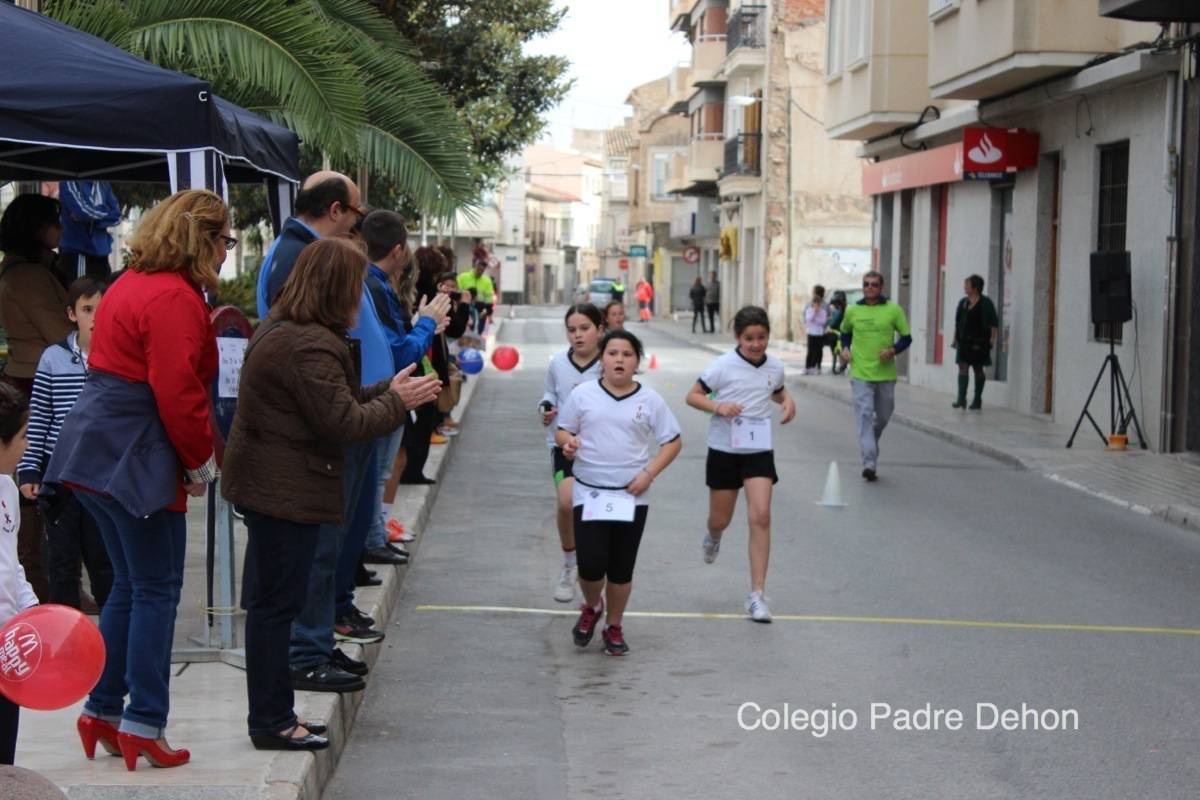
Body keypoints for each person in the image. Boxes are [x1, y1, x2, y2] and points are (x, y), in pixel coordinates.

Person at [222, 238, 440, 752]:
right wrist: (396, 402)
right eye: (355, 289)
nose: (360, 300)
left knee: (274, 605)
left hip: (273, 487)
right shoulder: (308, 343)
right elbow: (341, 420)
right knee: (276, 608)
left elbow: (333, 400)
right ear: (336, 289)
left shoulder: (293, 330)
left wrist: (387, 391)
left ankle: (275, 715)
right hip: (282, 491)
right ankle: (273, 720)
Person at [48, 189, 227, 771]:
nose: (226, 252)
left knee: (128, 585)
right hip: (134, 454)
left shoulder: (130, 281)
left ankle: (103, 710)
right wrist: (201, 463)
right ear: (202, 239)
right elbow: (177, 393)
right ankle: (144, 721)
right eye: (224, 240)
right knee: (154, 589)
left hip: (95, 446)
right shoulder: (174, 295)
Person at [555, 329, 682, 655]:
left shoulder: (650, 400)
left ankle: (614, 625)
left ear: (637, 361)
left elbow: (673, 441)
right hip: (590, 493)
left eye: (627, 354)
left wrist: (648, 474)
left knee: (622, 568)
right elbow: (562, 430)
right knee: (591, 565)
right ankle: (591, 604)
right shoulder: (583, 395)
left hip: (631, 495)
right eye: (613, 353)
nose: (620, 359)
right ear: (602, 359)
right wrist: (568, 443)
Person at [686, 306, 796, 623]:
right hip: (724, 449)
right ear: (738, 338)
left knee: (761, 515)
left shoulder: (775, 367)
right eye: (749, 338)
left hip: (758, 448)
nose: (756, 344)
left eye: (761, 337)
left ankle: (757, 596)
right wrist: (718, 406)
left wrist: (787, 400)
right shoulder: (722, 366)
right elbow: (692, 396)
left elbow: (775, 390)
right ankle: (713, 536)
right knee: (720, 519)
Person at [18, 277, 113, 611]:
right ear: (72, 314)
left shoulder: (117, 357)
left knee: (105, 563)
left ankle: (110, 639)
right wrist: (30, 469)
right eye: (87, 310)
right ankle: (64, 639)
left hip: (102, 480)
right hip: (60, 480)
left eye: (102, 309)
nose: (95, 318)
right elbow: (40, 418)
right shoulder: (52, 359)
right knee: (61, 563)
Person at [0, 193, 71, 603]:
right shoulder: (28, 275)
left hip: (26, 376)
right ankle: (43, 587)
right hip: (35, 381)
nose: (61, 229)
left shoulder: (19, 269)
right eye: (54, 221)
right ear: (38, 228)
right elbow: (58, 334)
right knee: (33, 490)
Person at [540, 304, 605, 603]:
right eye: (572, 330)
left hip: (602, 450)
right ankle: (569, 566)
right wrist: (545, 408)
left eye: (584, 328)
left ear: (599, 329)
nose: (578, 335)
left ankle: (594, 574)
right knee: (567, 503)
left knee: (595, 514)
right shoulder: (557, 363)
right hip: (563, 446)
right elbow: (549, 393)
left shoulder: (608, 363)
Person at [255, 170, 363, 316]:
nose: (355, 222)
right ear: (336, 210)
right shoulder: (300, 257)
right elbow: (293, 332)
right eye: (356, 212)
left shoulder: (296, 248)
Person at [839, 271, 912, 482]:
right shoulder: (853, 310)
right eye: (866, 284)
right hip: (861, 373)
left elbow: (907, 338)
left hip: (886, 374)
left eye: (874, 285)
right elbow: (845, 332)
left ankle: (871, 440)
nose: (870, 288)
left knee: (883, 415)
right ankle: (869, 462)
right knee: (864, 415)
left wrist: (893, 351)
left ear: (882, 287)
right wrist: (844, 348)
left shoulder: (893, 310)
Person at [0, 383, 37, 765]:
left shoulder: (7, 489)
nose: (28, 446)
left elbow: (12, 564)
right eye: (23, 437)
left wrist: (32, 611)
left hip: (6, 652)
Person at [397, 244, 453, 486]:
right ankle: (414, 472)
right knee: (421, 425)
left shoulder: (409, 291)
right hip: (423, 360)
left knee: (417, 425)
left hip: (422, 358)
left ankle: (412, 471)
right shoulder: (429, 294)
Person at [951, 274, 999, 410]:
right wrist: (955, 339)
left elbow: (994, 323)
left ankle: (977, 399)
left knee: (978, 369)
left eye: (967, 285)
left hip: (979, 343)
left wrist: (992, 340)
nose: (965, 287)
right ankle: (961, 399)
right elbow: (958, 323)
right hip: (963, 342)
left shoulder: (986, 303)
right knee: (962, 368)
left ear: (976, 288)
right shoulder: (963, 302)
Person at [58, 181, 121, 281]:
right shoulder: (70, 182)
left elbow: (117, 216)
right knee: (81, 294)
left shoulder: (103, 184)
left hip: (102, 252)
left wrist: (94, 220)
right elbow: (82, 211)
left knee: (103, 293)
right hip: (79, 251)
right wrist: (106, 214)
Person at [457, 245, 496, 336]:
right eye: (479, 267)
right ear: (475, 265)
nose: (480, 270)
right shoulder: (463, 277)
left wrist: (486, 312)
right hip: (465, 310)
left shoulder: (487, 281)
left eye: (483, 269)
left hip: (480, 312)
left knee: (478, 336)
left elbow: (489, 300)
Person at [803, 285, 829, 374]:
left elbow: (824, 321)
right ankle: (808, 367)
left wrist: (815, 320)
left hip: (820, 333)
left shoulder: (824, 307)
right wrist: (814, 313)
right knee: (810, 350)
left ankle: (817, 367)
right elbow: (807, 319)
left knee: (818, 351)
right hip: (811, 332)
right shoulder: (809, 307)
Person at [826, 291, 848, 375]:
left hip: (838, 333)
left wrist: (830, 324)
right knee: (839, 350)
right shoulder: (840, 309)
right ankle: (841, 365)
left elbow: (833, 322)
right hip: (837, 332)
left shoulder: (841, 310)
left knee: (840, 349)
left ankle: (842, 365)